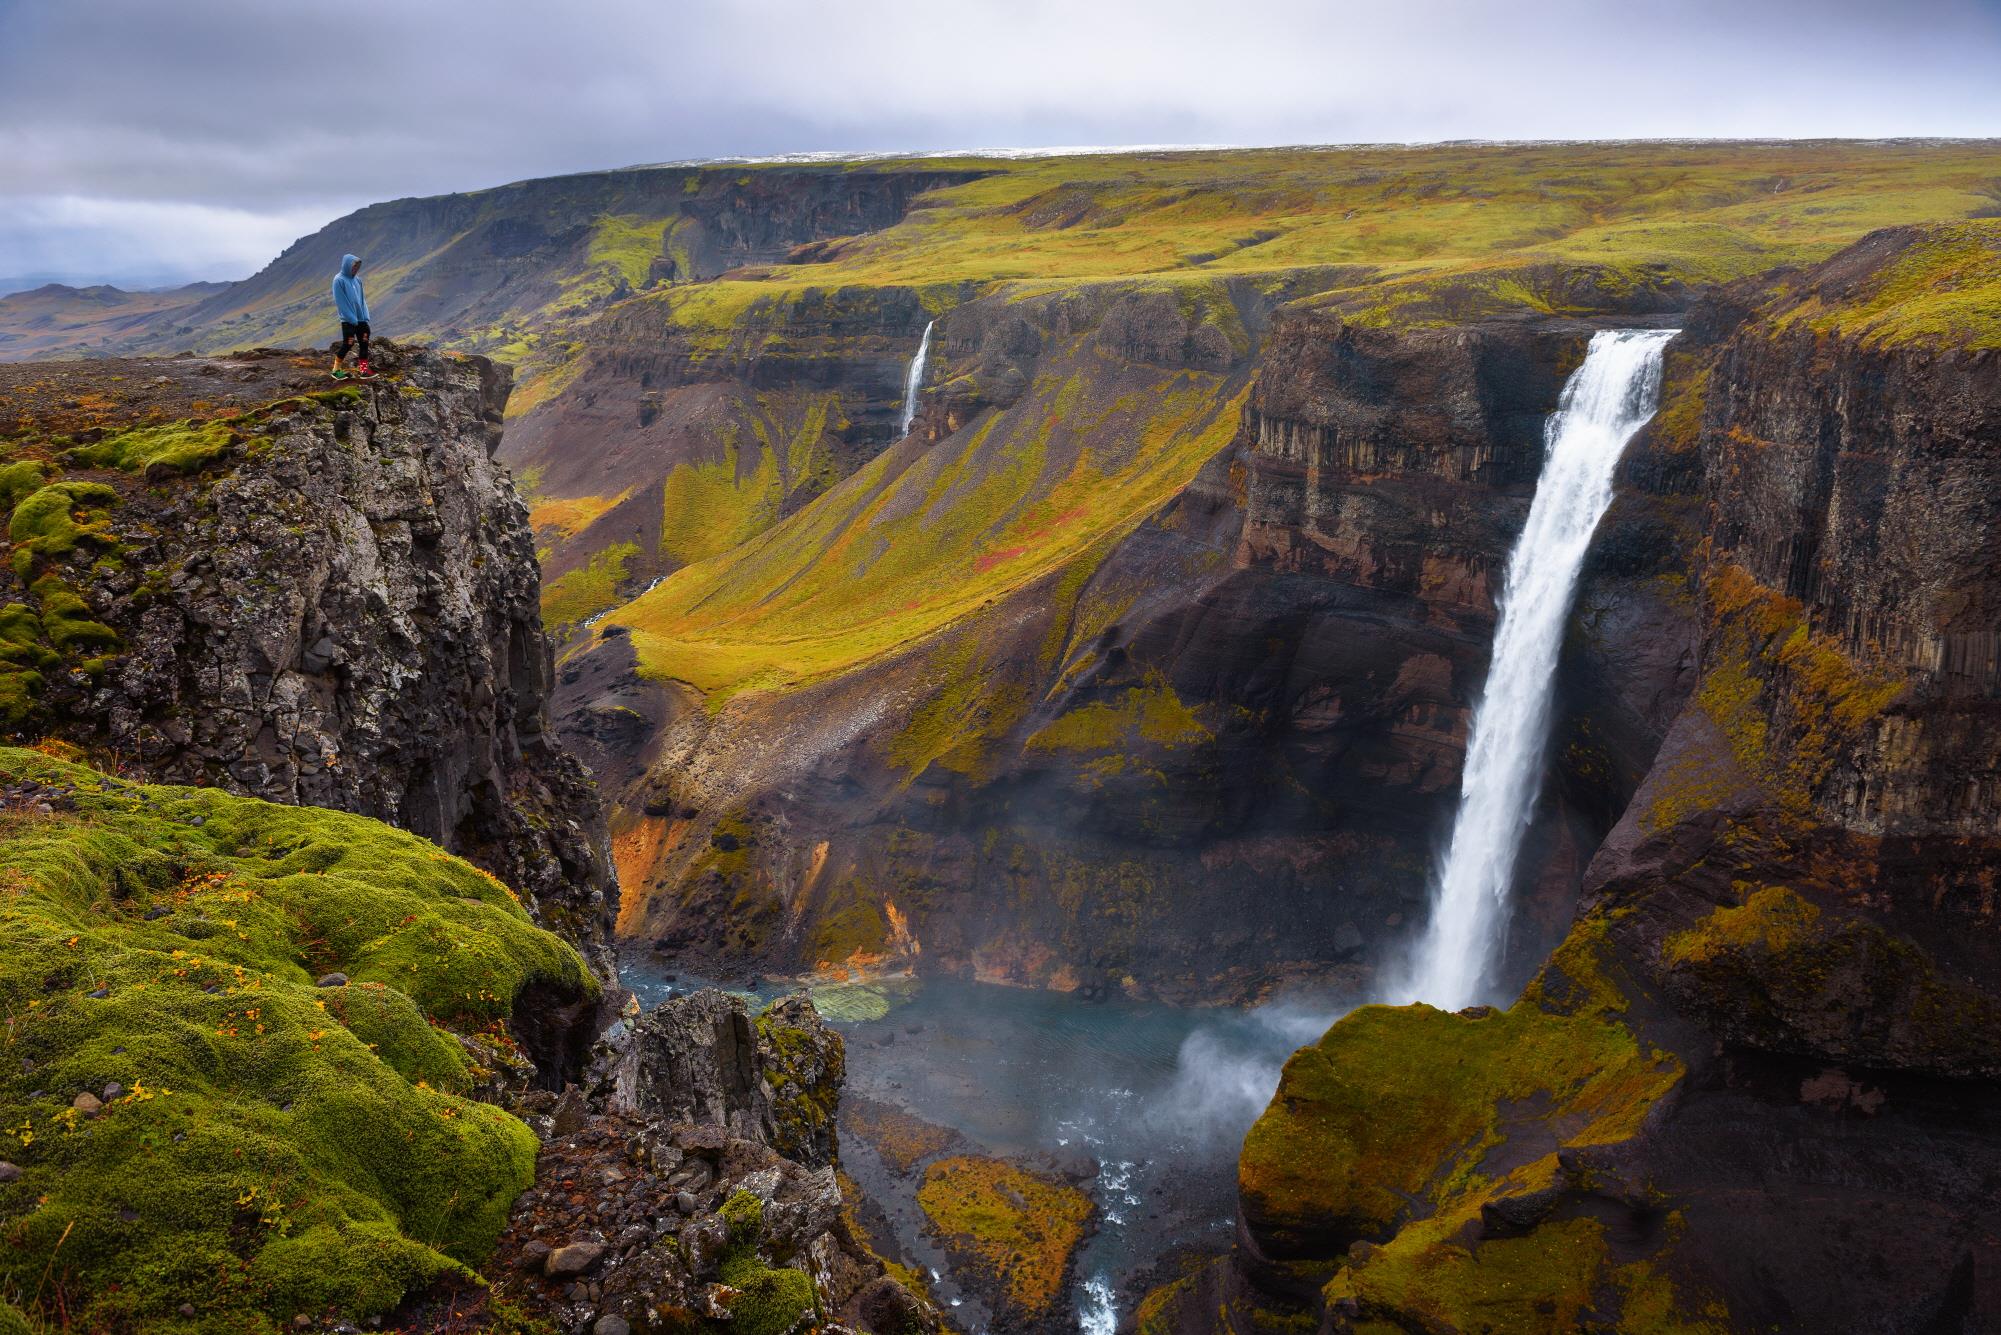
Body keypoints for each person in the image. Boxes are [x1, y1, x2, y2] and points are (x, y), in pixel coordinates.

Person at [330, 253, 376, 380]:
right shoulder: (338, 280)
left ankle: (363, 371)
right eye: (354, 266)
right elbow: (340, 302)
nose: (356, 269)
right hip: (348, 320)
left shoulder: (357, 280)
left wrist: (365, 315)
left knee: (364, 343)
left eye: (357, 267)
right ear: (347, 265)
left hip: (361, 319)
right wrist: (351, 318)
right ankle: (335, 370)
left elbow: (362, 299)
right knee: (348, 344)